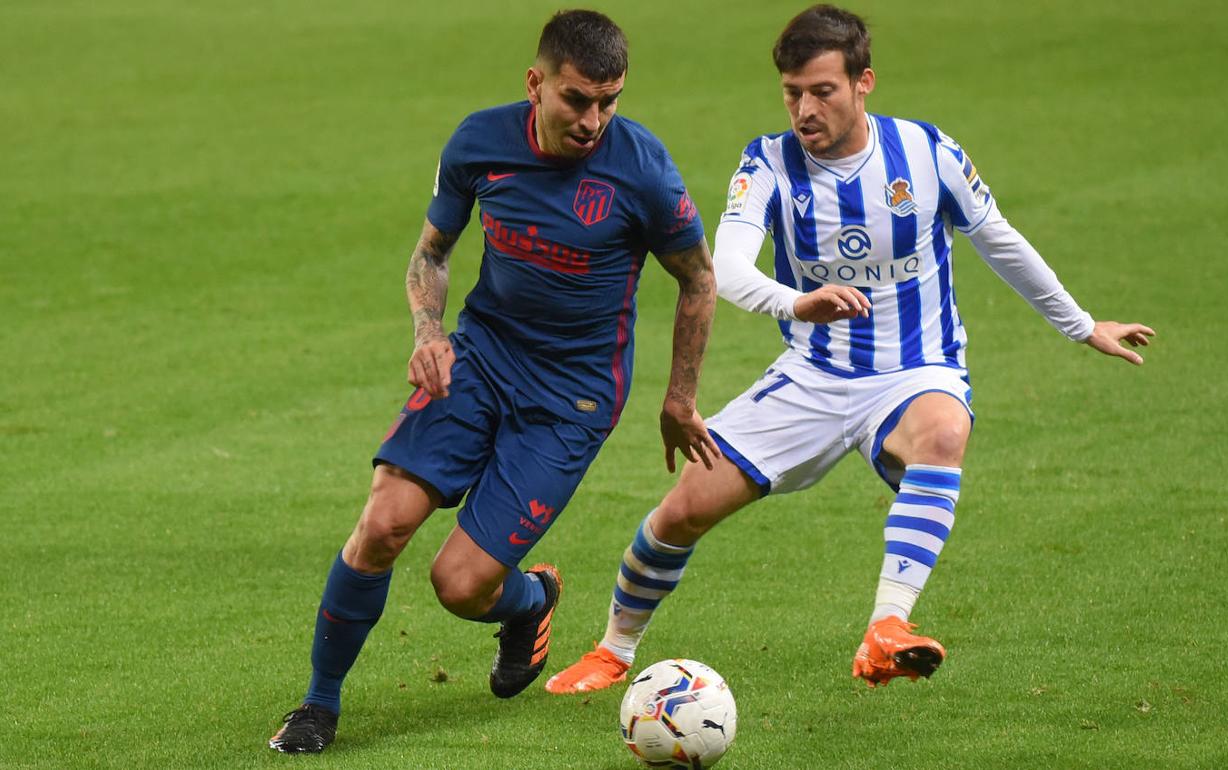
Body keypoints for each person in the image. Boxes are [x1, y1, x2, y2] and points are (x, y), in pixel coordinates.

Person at [545, 4, 1154, 695]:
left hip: (915, 371)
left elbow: (999, 240)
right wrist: (795, 301)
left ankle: (888, 627)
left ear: (864, 83)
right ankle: (614, 648)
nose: (804, 109)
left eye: (822, 91)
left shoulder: (927, 154)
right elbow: (730, 268)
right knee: (681, 511)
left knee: (944, 430)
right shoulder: (768, 161)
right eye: (792, 93)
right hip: (813, 376)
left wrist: (1080, 323)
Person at [269, 9, 719, 753]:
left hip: (571, 398)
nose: (593, 121)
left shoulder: (642, 169)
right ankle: (319, 704)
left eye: (610, 102)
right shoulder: (480, 142)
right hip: (480, 357)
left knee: (460, 584)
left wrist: (679, 397)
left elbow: (698, 280)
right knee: (382, 525)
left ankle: (527, 601)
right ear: (535, 83)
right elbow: (433, 253)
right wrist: (428, 334)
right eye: (577, 99)